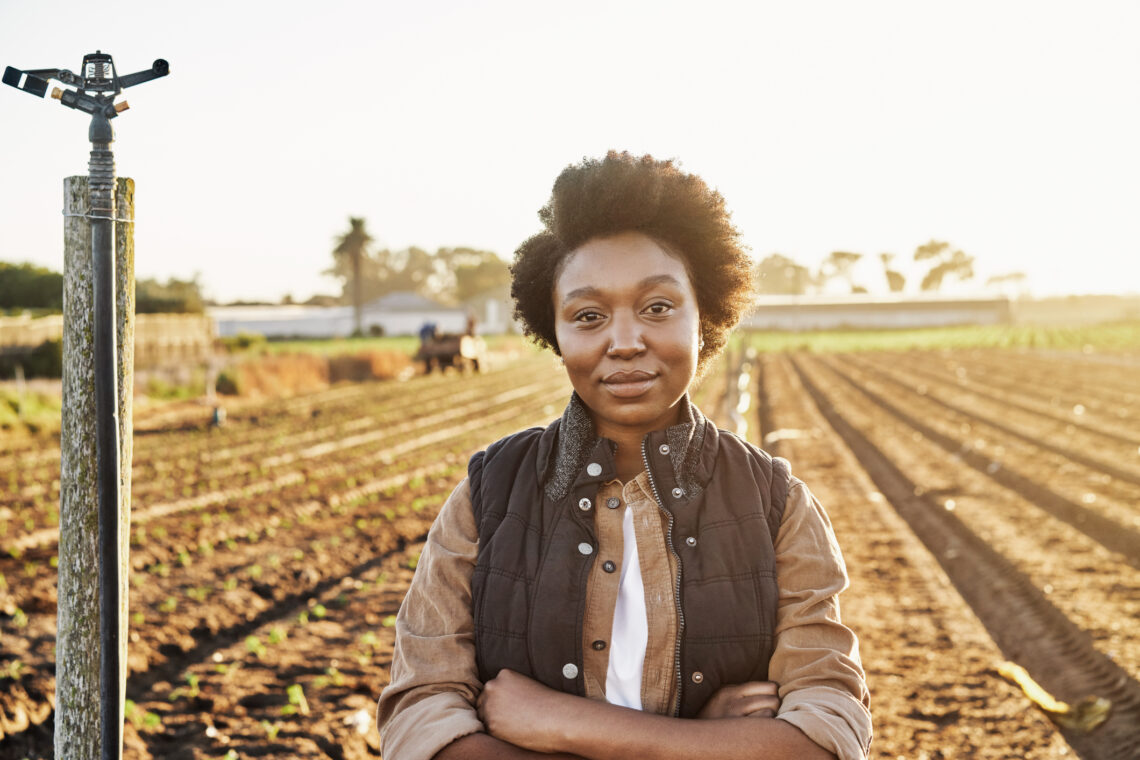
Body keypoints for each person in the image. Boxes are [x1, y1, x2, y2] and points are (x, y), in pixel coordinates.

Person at [377, 151, 872, 760]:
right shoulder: (489, 494)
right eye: (588, 316)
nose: (626, 341)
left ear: (704, 315)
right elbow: (421, 719)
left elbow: (827, 739)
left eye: (657, 307)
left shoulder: (776, 504)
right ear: (553, 332)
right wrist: (708, 742)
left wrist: (560, 723)